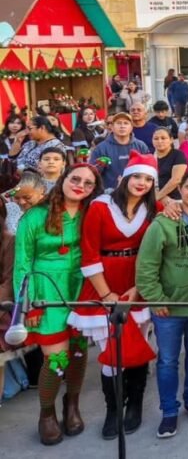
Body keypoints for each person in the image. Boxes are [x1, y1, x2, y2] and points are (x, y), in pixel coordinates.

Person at [67, 152, 159, 439]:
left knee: (137, 344)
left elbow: (156, 251)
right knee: (111, 350)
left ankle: (135, 406)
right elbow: (89, 252)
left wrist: (139, 288)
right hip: (103, 284)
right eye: (137, 176)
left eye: (148, 179)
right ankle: (114, 409)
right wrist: (107, 294)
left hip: (138, 283)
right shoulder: (100, 206)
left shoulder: (154, 208)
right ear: (125, 177)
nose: (142, 183)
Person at [13, 164, 100, 445]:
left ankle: (72, 404)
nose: (80, 186)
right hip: (46, 290)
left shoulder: (91, 212)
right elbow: (22, 263)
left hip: (81, 287)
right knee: (56, 358)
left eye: (88, 183)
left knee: (78, 351)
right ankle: (47, 413)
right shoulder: (34, 216)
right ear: (63, 178)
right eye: (75, 179)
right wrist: (29, 304)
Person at [136, 169, 188, 439]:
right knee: (168, 360)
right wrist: (156, 298)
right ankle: (169, 410)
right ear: (180, 189)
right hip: (168, 307)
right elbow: (146, 267)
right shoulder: (162, 223)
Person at [152, 127, 186, 205]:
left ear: (171, 140)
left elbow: (176, 179)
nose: (159, 141)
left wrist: (158, 196)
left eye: (163, 138)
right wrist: (159, 198)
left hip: (174, 200)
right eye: (156, 139)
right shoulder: (150, 157)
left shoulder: (178, 155)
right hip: (154, 198)